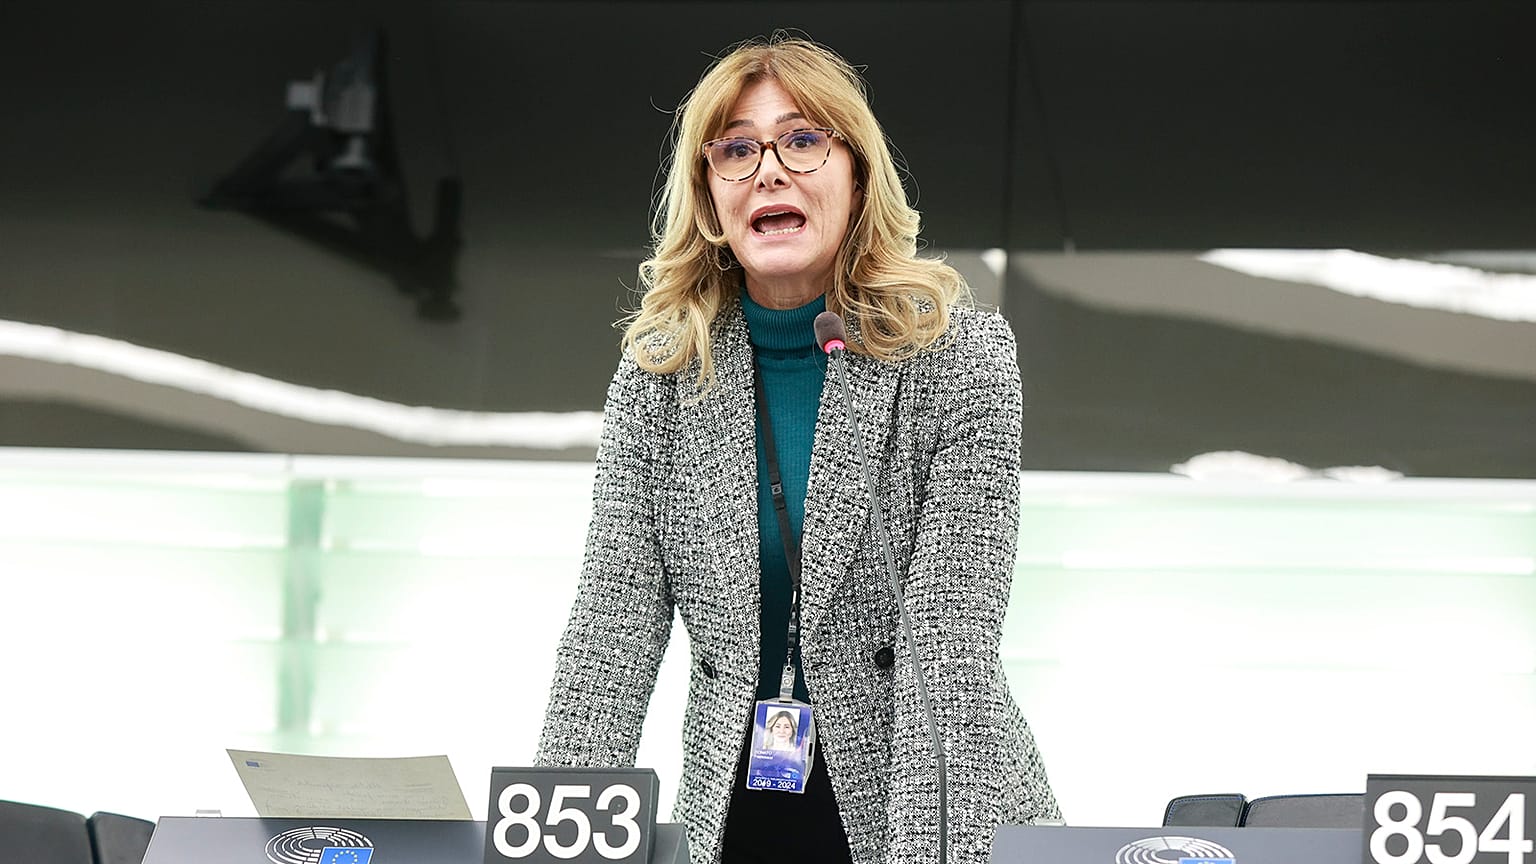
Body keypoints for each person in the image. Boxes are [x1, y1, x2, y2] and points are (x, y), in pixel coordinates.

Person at [536, 33, 1059, 864]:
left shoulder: (963, 362)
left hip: (930, 803)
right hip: (738, 816)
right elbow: (611, 630)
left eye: (802, 139)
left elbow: (947, 642)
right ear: (710, 199)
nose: (768, 169)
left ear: (856, 177)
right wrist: (552, 849)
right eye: (737, 149)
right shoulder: (657, 382)